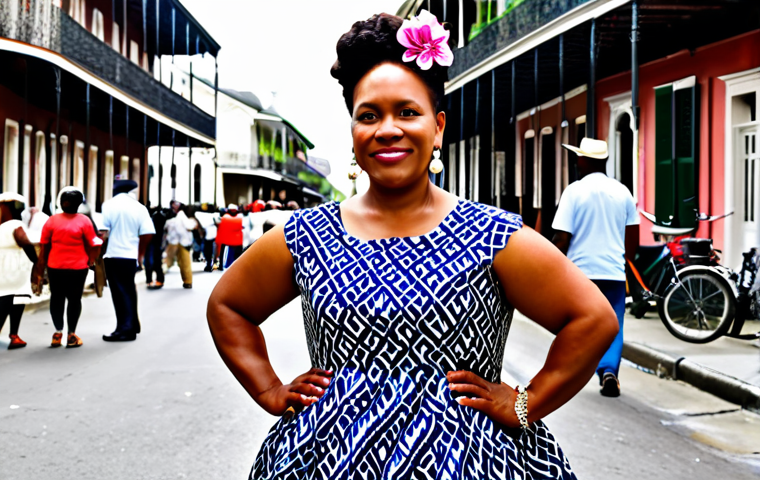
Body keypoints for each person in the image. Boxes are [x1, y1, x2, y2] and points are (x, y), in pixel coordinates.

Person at [207, 11, 617, 480]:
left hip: (474, 462)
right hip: (321, 460)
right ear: (354, 133)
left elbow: (593, 319)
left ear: (438, 126)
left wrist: (526, 404)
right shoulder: (306, 235)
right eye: (368, 115)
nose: (387, 129)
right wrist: (268, 389)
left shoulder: (492, 236)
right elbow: (228, 306)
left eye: (407, 112)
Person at [552, 137, 640, 398]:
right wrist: (624, 263)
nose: (576, 162)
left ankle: (575, 370)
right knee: (614, 323)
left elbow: (561, 238)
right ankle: (609, 369)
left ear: (585, 160)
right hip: (612, 273)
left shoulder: (574, 191)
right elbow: (632, 238)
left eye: (579, 157)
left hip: (580, 274)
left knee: (580, 323)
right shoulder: (623, 192)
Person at [37, 189, 102, 348]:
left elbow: (44, 245)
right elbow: (94, 243)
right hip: (78, 267)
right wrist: (92, 261)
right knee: (74, 299)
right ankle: (71, 334)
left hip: (55, 266)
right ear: (79, 204)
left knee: (56, 298)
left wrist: (41, 266)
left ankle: (57, 333)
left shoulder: (52, 221)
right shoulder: (84, 221)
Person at [100, 179, 155, 342]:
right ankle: (133, 323)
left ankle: (124, 329)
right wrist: (140, 254)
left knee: (119, 293)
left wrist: (96, 254)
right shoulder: (139, 208)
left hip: (114, 254)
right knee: (129, 290)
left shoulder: (109, 205)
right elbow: (148, 232)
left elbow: (102, 232)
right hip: (130, 256)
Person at [0, 193, 38, 350]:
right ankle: (13, 335)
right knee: (10, 300)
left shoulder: (6, 225)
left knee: (12, 299)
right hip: (13, 269)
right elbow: (23, 240)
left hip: (7, 268)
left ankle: (14, 336)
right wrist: (35, 260)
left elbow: (21, 240)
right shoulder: (14, 224)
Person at [165, 201, 197, 288]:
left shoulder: (180, 215)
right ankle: (187, 281)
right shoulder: (185, 216)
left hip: (179, 241)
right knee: (184, 262)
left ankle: (187, 281)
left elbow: (183, 228)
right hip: (182, 241)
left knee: (169, 260)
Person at [214, 204, 243, 271]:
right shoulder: (240, 218)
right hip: (236, 240)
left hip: (225, 238)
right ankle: (233, 265)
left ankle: (221, 265)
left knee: (222, 252)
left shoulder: (224, 217)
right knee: (235, 253)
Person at [145, 206, 167, 289]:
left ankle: (150, 280)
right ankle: (158, 280)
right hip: (156, 242)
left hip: (151, 241)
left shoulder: (154, 217)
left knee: (149, 261)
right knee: (156, 261)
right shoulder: (161, 217)